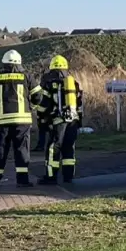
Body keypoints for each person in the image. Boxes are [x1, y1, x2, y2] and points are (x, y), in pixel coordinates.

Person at [0, 50, 34, 188]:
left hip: (3, 121)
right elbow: (38, 95)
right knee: (21, 150)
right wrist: (31, 106)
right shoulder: (27, 76)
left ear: (4, 63)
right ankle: (22, 181)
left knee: (0, 150)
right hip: (22, 121)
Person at [32, 55, 83, 185]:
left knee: (53, 148)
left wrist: (42, 120)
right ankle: (68, 177)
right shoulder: (73, 83)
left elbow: (43, 105)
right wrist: (79, 121)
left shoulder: (49, 83)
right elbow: (79, 104)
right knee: (69, 148)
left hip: (58, 121)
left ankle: (51, 177)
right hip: (73, 121)